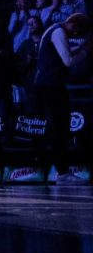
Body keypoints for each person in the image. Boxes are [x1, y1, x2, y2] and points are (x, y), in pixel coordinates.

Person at [34, 13, 92, 184]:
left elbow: (62, 53)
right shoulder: (58, 32)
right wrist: (85, 52)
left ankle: (62, 170)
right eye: (76, 30)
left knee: (61, 127)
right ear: (72, 22)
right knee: (60, 128)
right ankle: (62, 172)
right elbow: (67, 60)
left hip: (51, 85)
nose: (76, 34)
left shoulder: (55, 30)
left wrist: (79, 49)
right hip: (51, 86)